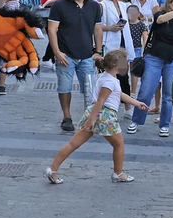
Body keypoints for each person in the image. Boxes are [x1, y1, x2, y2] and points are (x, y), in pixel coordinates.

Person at [44, 49, 144, 184]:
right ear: (117, 65)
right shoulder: (110, 81)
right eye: (125, 63)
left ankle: (52, 169)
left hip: (93, 112)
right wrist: (91, 120)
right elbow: (101, 101)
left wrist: (136, 103)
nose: (126, 66)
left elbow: (118, 94)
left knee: (73, 143)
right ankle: (118, 173)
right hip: (105, 115)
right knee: (119, 145)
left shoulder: (105, 77)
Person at [47, 0, 103, 133]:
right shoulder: (60, 5)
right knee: (64, 87)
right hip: (66, 55)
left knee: (90, 90)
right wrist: (57, 52)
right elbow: (52, 29)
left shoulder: (94, 6)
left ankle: (90, 119)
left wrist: (98, 51)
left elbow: (97, 29)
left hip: (87, 55)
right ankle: (67, 117)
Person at [131, 0, 173, 136]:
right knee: (146, 91)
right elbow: (160, 20)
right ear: (169, 3)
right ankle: (137, 121)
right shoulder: (160, 14)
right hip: (154, 57)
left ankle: (164, 125)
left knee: (169, 94)